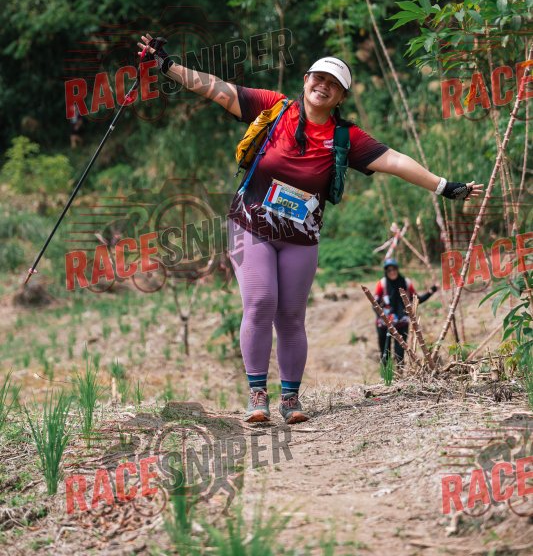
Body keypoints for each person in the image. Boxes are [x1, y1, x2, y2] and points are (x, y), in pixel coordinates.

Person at [137, 34, 484, 424]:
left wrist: (444, 186)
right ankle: (257, 394)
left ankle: (290, 399)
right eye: (319, 78)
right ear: (306, 80)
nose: (323, 86)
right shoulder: (274, 107)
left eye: (334, 84)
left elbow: (396, 161)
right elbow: (217, 88)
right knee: (260, 302)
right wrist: (169, 66)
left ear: (341, 97)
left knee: (290, 316)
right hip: (250, 224)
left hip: (300, 238)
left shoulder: (346, 138)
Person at [374, 258, 439, 365]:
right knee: (385, 353)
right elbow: (375, 304)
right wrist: (382, 317)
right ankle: (386, 374)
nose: (392, 272)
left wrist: (431, 291)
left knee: (400, 354)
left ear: (397, 269)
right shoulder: (382, 284)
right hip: (384, 325)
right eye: (389, 270)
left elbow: (417, 299)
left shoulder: (406, 283)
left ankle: (400, 374)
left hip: (401, 323)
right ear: (386, 271)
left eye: (394, 269)